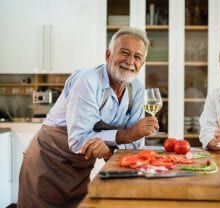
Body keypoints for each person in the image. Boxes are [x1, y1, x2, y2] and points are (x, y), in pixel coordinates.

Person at [18, 27, 159, 207]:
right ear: (108, 55)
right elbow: (79, 140)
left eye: (137, 57)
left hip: (80, 167)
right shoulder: (88, 80)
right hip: (49, 161)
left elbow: (133, 145)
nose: (130, 61)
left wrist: (111, 150)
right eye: (124, 52)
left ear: (142, 63)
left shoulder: (136, 88)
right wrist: (127, 134)